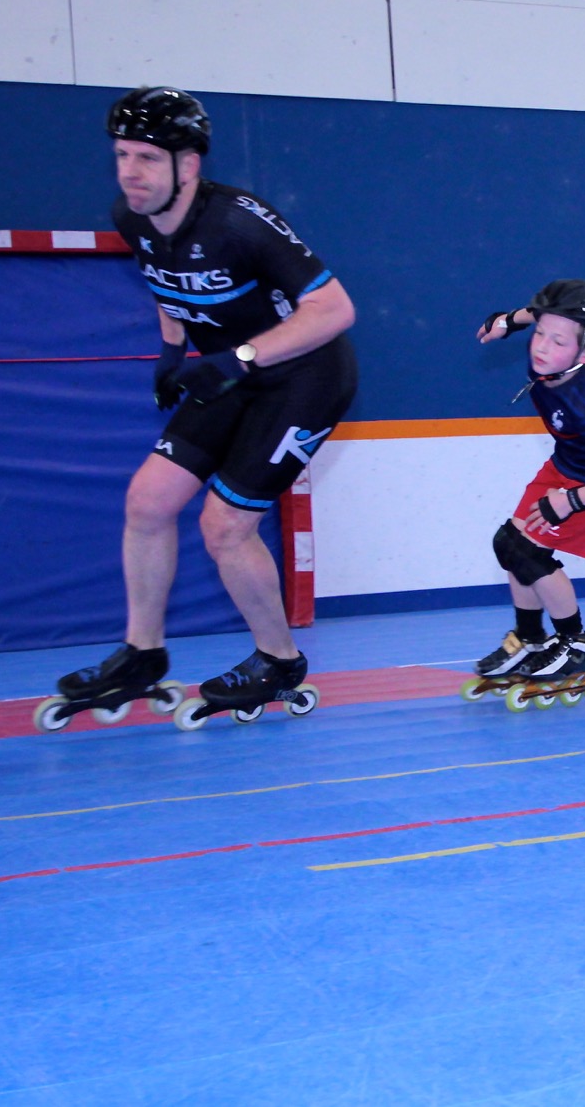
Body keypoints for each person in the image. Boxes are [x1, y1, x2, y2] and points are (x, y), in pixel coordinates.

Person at [48, 87, 356, 729]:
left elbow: (335, 310)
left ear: (187, 166)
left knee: (224, 525)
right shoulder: (131, 217)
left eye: (147, 159)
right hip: (230, 373)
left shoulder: (240, 221)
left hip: (304, 377)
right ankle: (143, 653)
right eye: (121, 155)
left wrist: (240, 357)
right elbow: (167, 284)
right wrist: (170, 351)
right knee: (148, 501)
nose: (130, 173)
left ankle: (278, 659)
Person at [467, 280, 585, 708]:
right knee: (508, 545)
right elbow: (542, 313)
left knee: (530, 554)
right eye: (540, 334)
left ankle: (574, 643)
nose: (541, 346)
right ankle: (529, 640)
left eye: (556, 340)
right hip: (566, 463)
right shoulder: (560, 351)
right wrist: (508, 322)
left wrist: (569, 502)